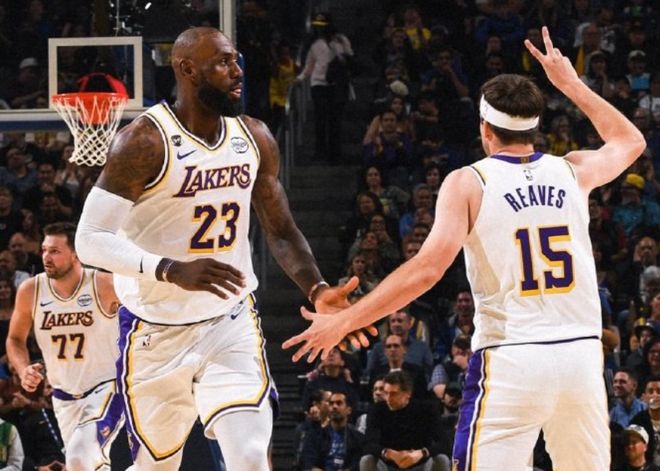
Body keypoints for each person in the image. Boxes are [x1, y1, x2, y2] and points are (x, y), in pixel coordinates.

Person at [285, 27, 647, 470]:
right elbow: (631, 141)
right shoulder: (573, 170)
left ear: (484, 128)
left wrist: (347, 319)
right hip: (581, 355)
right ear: (535, 128)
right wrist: (571, 84)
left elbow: (427, 270)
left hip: (512, 356)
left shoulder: (470, 181)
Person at [73, 27, 370, 470]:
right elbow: (89, 239)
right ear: (187, 69)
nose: (237, 71)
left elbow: (281, 231)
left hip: (229, 324)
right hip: (154, 331)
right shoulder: (144, 141)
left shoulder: (254, 136)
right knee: (156, 467)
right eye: (223, 62)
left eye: (236, 60)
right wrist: (170, 269)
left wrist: (317, 289)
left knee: (250, 457)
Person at [6, 222, 124, 470]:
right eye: (44, 250)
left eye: (55, 251)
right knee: (89, 465)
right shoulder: (31, 290)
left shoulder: (105, 284)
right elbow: (15, 339)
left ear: (76, 254)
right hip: (63, 397)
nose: (46, 257)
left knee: (79, 457)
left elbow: (145, 315)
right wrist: (23, 368)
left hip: (106, 389)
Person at [359, 371, 451, 471]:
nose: (388, 399)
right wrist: (388, 453)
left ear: (408, 393)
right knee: (367, 459)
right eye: (386, 393)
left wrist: (422, 453)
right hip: (388, 465)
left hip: (420, 464)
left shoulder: (426, 409)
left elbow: (444, 443)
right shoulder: (377, 409)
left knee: (442, 459)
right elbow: (368, 444)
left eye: (393, 394)